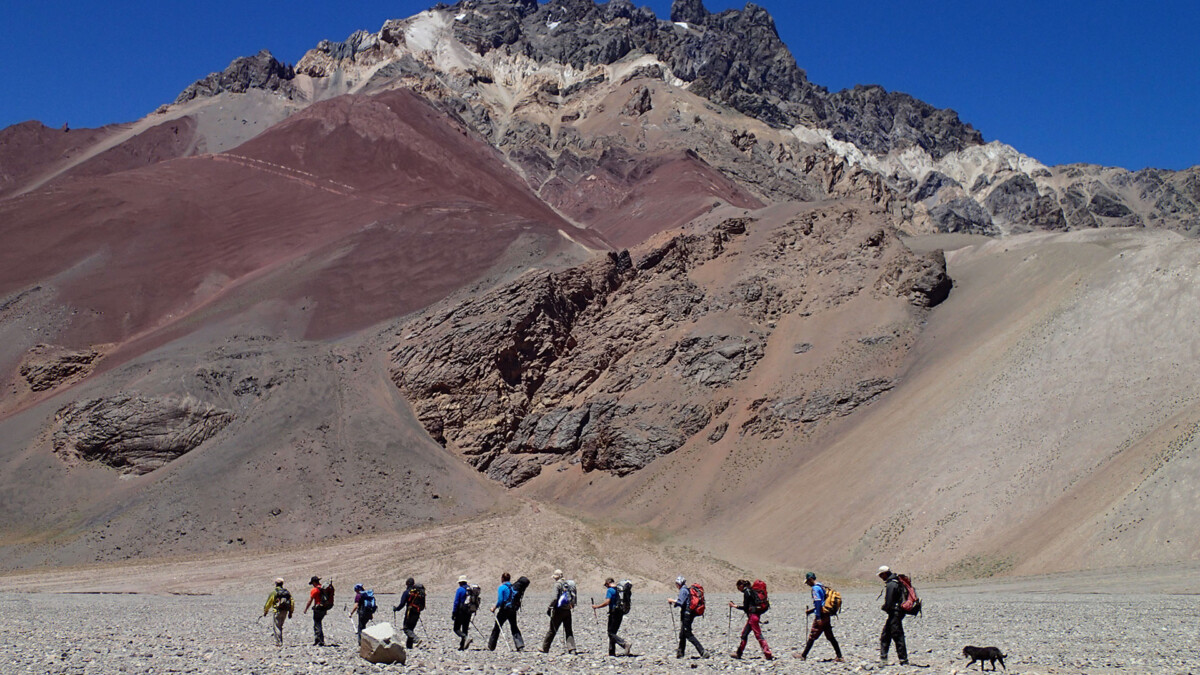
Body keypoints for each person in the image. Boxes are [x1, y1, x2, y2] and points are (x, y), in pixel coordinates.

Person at [797, 572, 843, 662]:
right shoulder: (822, 586)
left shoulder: (815, 588)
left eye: (807, 582)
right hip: (826, 614)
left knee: (813, 634)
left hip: (821, 615)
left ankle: (803, 655)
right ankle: (840, 656)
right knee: (830, 636)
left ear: (810, 580)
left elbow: (818, 602)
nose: (808, 584)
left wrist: (818, 617)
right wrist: (810, 611)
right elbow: (823, 602)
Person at [728, 579, 772, 660]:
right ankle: (739, 653)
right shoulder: (751, 591)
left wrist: (735, 606)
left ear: (741, 586)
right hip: (755, 616)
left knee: (758, 635)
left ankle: (768, 653)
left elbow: (745, 608)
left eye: (738, 587)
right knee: (744, 634)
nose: (738, 589)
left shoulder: (747, 593)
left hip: (753, 617)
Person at [667, 575, 707, 659]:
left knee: (688, 634)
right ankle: (680, 653)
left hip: (686, 614)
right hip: (689, 614)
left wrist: (672, 600)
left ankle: (702, 651)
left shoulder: (683, 590)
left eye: (677, 583)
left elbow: (680, 602)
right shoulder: (686, 589)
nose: (676, 585)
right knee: (682, 634)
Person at [591, 578, 631, 656]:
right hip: (621, 612)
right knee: (613, 632)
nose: (606, 587)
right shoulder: (619, 590)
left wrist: (597, 606)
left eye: (606, 585)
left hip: (614, 612)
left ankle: (624, 644)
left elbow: (607, 602)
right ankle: (611, 652)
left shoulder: (610, 590)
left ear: (608, 583)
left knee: (610, 632)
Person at [878, 565, 908, 666]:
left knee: (896, 636)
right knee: (887, 635)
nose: (881, 577)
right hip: (898, 613)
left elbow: (889, 601)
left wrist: (885, 607)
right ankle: (885, 658)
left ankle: (903, 660)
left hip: (894, 613)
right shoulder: (896, 582)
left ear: (885, 573)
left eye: (881, 575)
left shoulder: (891, 584)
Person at [540, 569, 576, 654]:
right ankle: (572, 649)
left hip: (559, 610)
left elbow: (555, 598)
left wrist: (550, 607)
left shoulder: (557, 585)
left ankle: (545, 648)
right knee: (568, 630)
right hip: (567, 610)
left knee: (552, 629)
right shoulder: (568, 584)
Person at [488, 572, 525, 651]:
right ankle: (520, 645)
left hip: (504, 610)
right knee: (514, 626)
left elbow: (500, 600)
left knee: (497, 627)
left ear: (502, 579)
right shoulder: (513, 587)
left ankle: (491, 646)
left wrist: (494, 608)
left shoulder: (502, 587)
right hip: (512, 609)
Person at [392, 578, 424, 649]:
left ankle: (416, 639)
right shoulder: (418, 592)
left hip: (410, 612)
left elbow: (402, 603)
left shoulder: (407, 592)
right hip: (417, 612)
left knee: (406, 628)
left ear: (407, 584)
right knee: (411, 629)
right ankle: (409, 646)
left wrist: (396, 609)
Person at [262, 577, 293, 647]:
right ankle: (280, 641)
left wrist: (265, 611)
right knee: (280, 626)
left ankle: (279, 643)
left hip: (277, 611)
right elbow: (292, 602)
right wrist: (291, 612)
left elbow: (269, 602)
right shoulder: (287, 592)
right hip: (285, 611)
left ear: (276, 584)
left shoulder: (274, 592)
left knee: (277, 627)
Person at [302, 576, 328, 646]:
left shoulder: (315, 590)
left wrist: (306, 609)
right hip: (324, 608)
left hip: (318, 608)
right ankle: (318, 639)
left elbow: (310, 600)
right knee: (318, 623)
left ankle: (319, 640)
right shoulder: (323, 588)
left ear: (314, 582)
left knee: (317, 624)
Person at [451, 575, 475, 650]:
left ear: (460, 582)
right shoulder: (470, 589)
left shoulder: (460, 590)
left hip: (461, 611)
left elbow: (456, 602)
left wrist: (454, 612)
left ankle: (465, 638)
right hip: (468, 611)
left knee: (456, 628)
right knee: (465, 628)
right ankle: (462, 646)